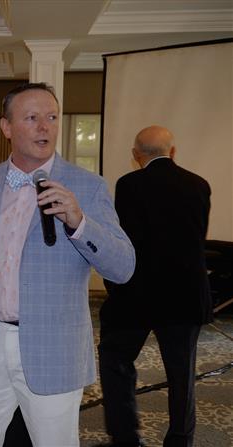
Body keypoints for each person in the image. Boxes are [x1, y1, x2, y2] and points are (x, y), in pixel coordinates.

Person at [0, 82, 135, 447]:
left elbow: (123, 267)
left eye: (52, 117)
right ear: (6, 127)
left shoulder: (87, 186)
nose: (45, 127)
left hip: (52, 350)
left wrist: (79, 222)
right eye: (32, 118)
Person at [96, 126, 212, 447]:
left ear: (136, 155)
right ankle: (180, 440)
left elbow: (125, 240)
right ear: (172, 152)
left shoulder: (128, 185)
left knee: (115, 358)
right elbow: (195, 240)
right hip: (185, 296)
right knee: (182, 374)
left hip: (136, 295)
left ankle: (126, 437)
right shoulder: (199, 185)